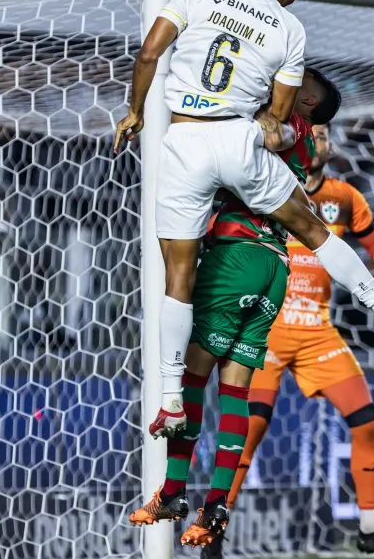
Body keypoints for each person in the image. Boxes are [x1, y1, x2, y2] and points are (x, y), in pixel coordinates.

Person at [113, 0, 374, 438]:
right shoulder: (288, 29)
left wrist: (135, 112)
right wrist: (271, 122)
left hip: (183, 140)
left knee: (178, 275)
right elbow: (278, 117)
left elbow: (150, 53)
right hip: (237, 143)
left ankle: (171, 399)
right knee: (313, 228)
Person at [125, 67, 340, 542]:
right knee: (237, 390)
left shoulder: (273, 129)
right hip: (276, 266)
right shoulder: (298, 142)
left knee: (191, 378)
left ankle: (174, 490)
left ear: (307, 104)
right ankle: (217, 505)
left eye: (299, 87)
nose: (284, 86)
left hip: (237, 255)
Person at [215, 119, 374, 559]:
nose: (321, 141)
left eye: (327, 135)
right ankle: (214, 525)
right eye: (316, 133)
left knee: (366, 422)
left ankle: (371, 528)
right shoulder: (261, 184)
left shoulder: (344, 198)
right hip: (265, 327)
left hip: (317, 332)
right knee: (249, 429)